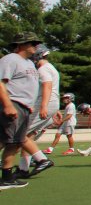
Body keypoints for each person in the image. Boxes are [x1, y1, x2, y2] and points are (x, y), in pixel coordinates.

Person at [0, 32, 42, 189]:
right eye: (32, 43)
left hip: (24, 107)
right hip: (12, 103)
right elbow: (1, 83)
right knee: (3, 140)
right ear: (20, 45)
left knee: (14, 143)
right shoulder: (10, 59)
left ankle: (6, 177)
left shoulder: (29, 63)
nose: (35, 46)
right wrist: (8, 105)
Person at [19, 44, 58, 176]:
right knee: (28, 136)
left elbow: (47, 86)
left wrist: (44, 106)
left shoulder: (43, 70)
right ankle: (23, 169)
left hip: (45, 103)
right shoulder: (50, 68)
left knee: (20, 134)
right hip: (51, 103)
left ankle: (42, 159)